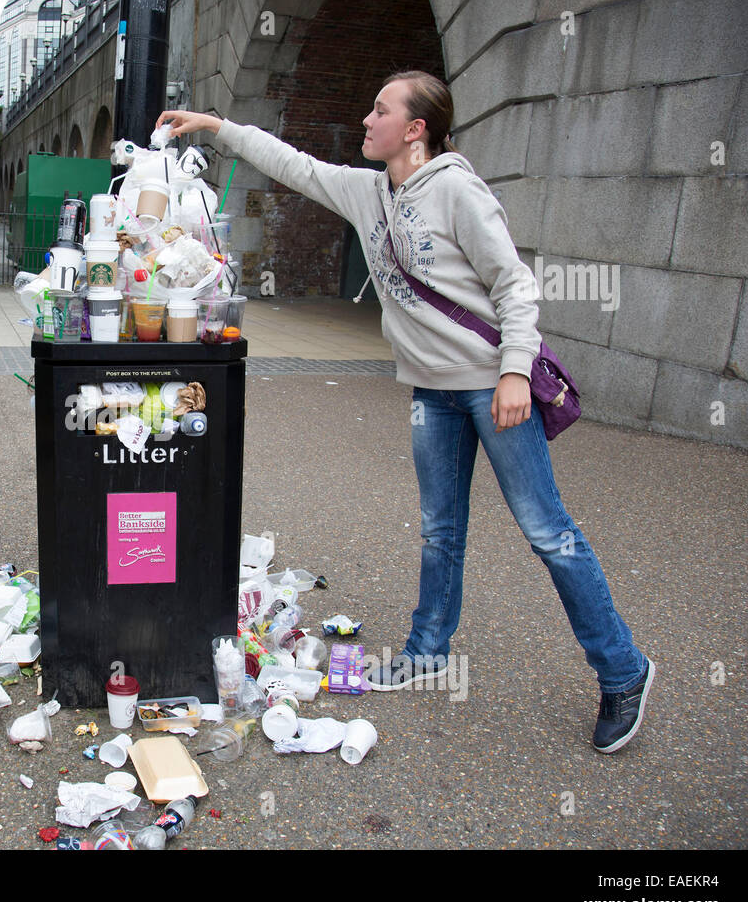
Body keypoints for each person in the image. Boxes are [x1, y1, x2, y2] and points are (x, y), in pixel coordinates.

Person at [156, 71, 655, 754]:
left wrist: (514, 371)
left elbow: (514, 283)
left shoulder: (455, 189)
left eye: (381, 109)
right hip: (433, 392)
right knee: (439, 531)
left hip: (490, 387)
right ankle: (427, 651)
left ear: (416, 129)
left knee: (547, 531)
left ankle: (623, 670)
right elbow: (295, 166)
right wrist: (218, 128)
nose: (367, 118)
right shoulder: (368, 191)